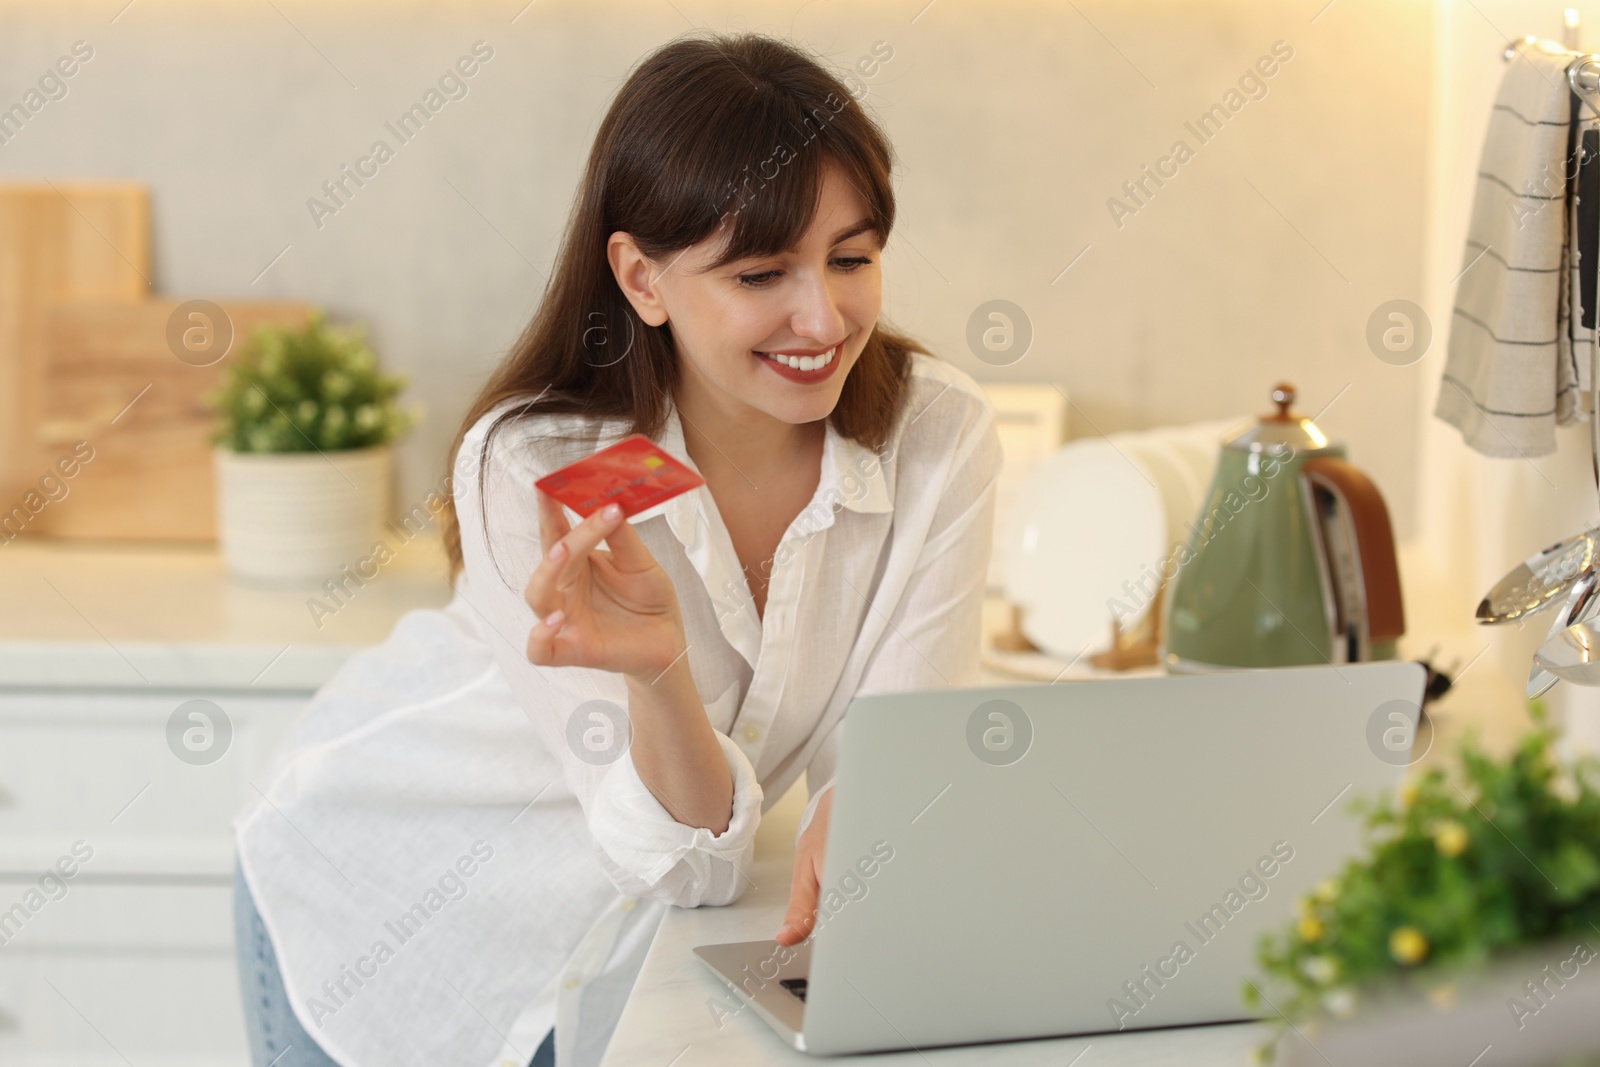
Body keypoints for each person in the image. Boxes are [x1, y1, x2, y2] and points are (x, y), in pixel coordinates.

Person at [232, 28, 1001, 1067]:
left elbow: (901, 758)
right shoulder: (555, 464)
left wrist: (867, 809)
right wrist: (661, 673)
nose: (822, 315)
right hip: (391, 892)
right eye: (761, 271)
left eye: (852, 258)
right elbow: (681, 864)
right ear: (641, 277)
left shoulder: (932, 438)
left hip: (626, 940)